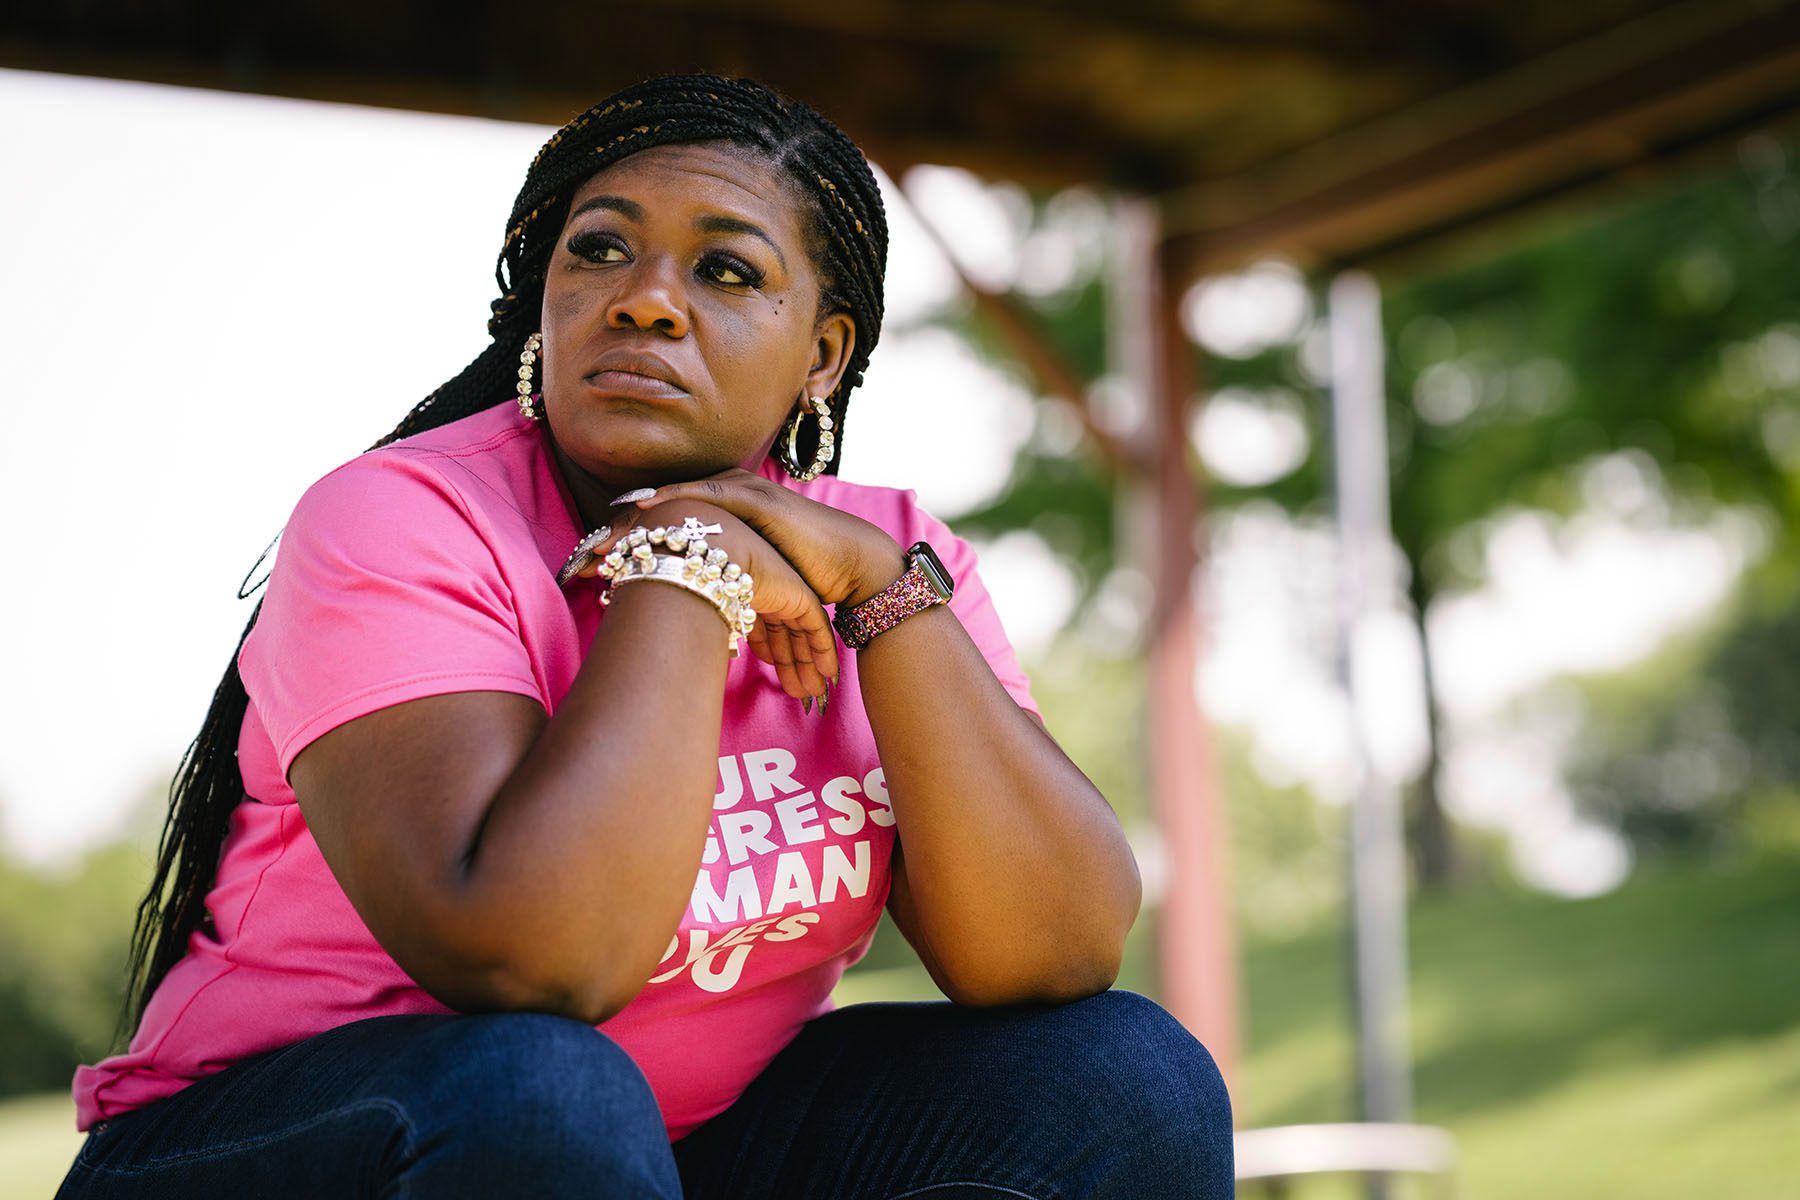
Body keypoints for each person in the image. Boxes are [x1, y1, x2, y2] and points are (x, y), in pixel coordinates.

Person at [56, 72, 1233, 1199]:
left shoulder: (885, 553)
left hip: (669, 1152)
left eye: (726, 270)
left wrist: (884, 593)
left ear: (822, 352)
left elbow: (1052, 952)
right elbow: (536, 960)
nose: (647, 298)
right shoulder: (401, 521)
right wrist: (685, 566)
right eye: (601, 249)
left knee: (1123, 1080)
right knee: (545, 1089)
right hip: (300, 1144)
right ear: (547, 298)